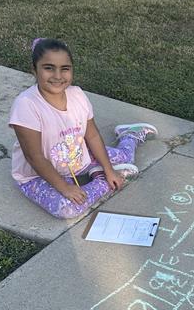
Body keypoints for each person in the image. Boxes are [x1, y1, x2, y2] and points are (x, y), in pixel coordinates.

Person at [9, 37, 157, 219]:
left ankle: (129, 136)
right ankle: (101, 179)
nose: (57, 75)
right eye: (48, 68)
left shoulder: (77, 95)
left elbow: (93, 135)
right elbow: (34, 157)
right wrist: (65, 188)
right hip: (37, 175)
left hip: (79, 161)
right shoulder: (27, 105)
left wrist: (109, 168)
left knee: (124, 157)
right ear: (34, 70)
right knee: (67, 208)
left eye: (65, 69)